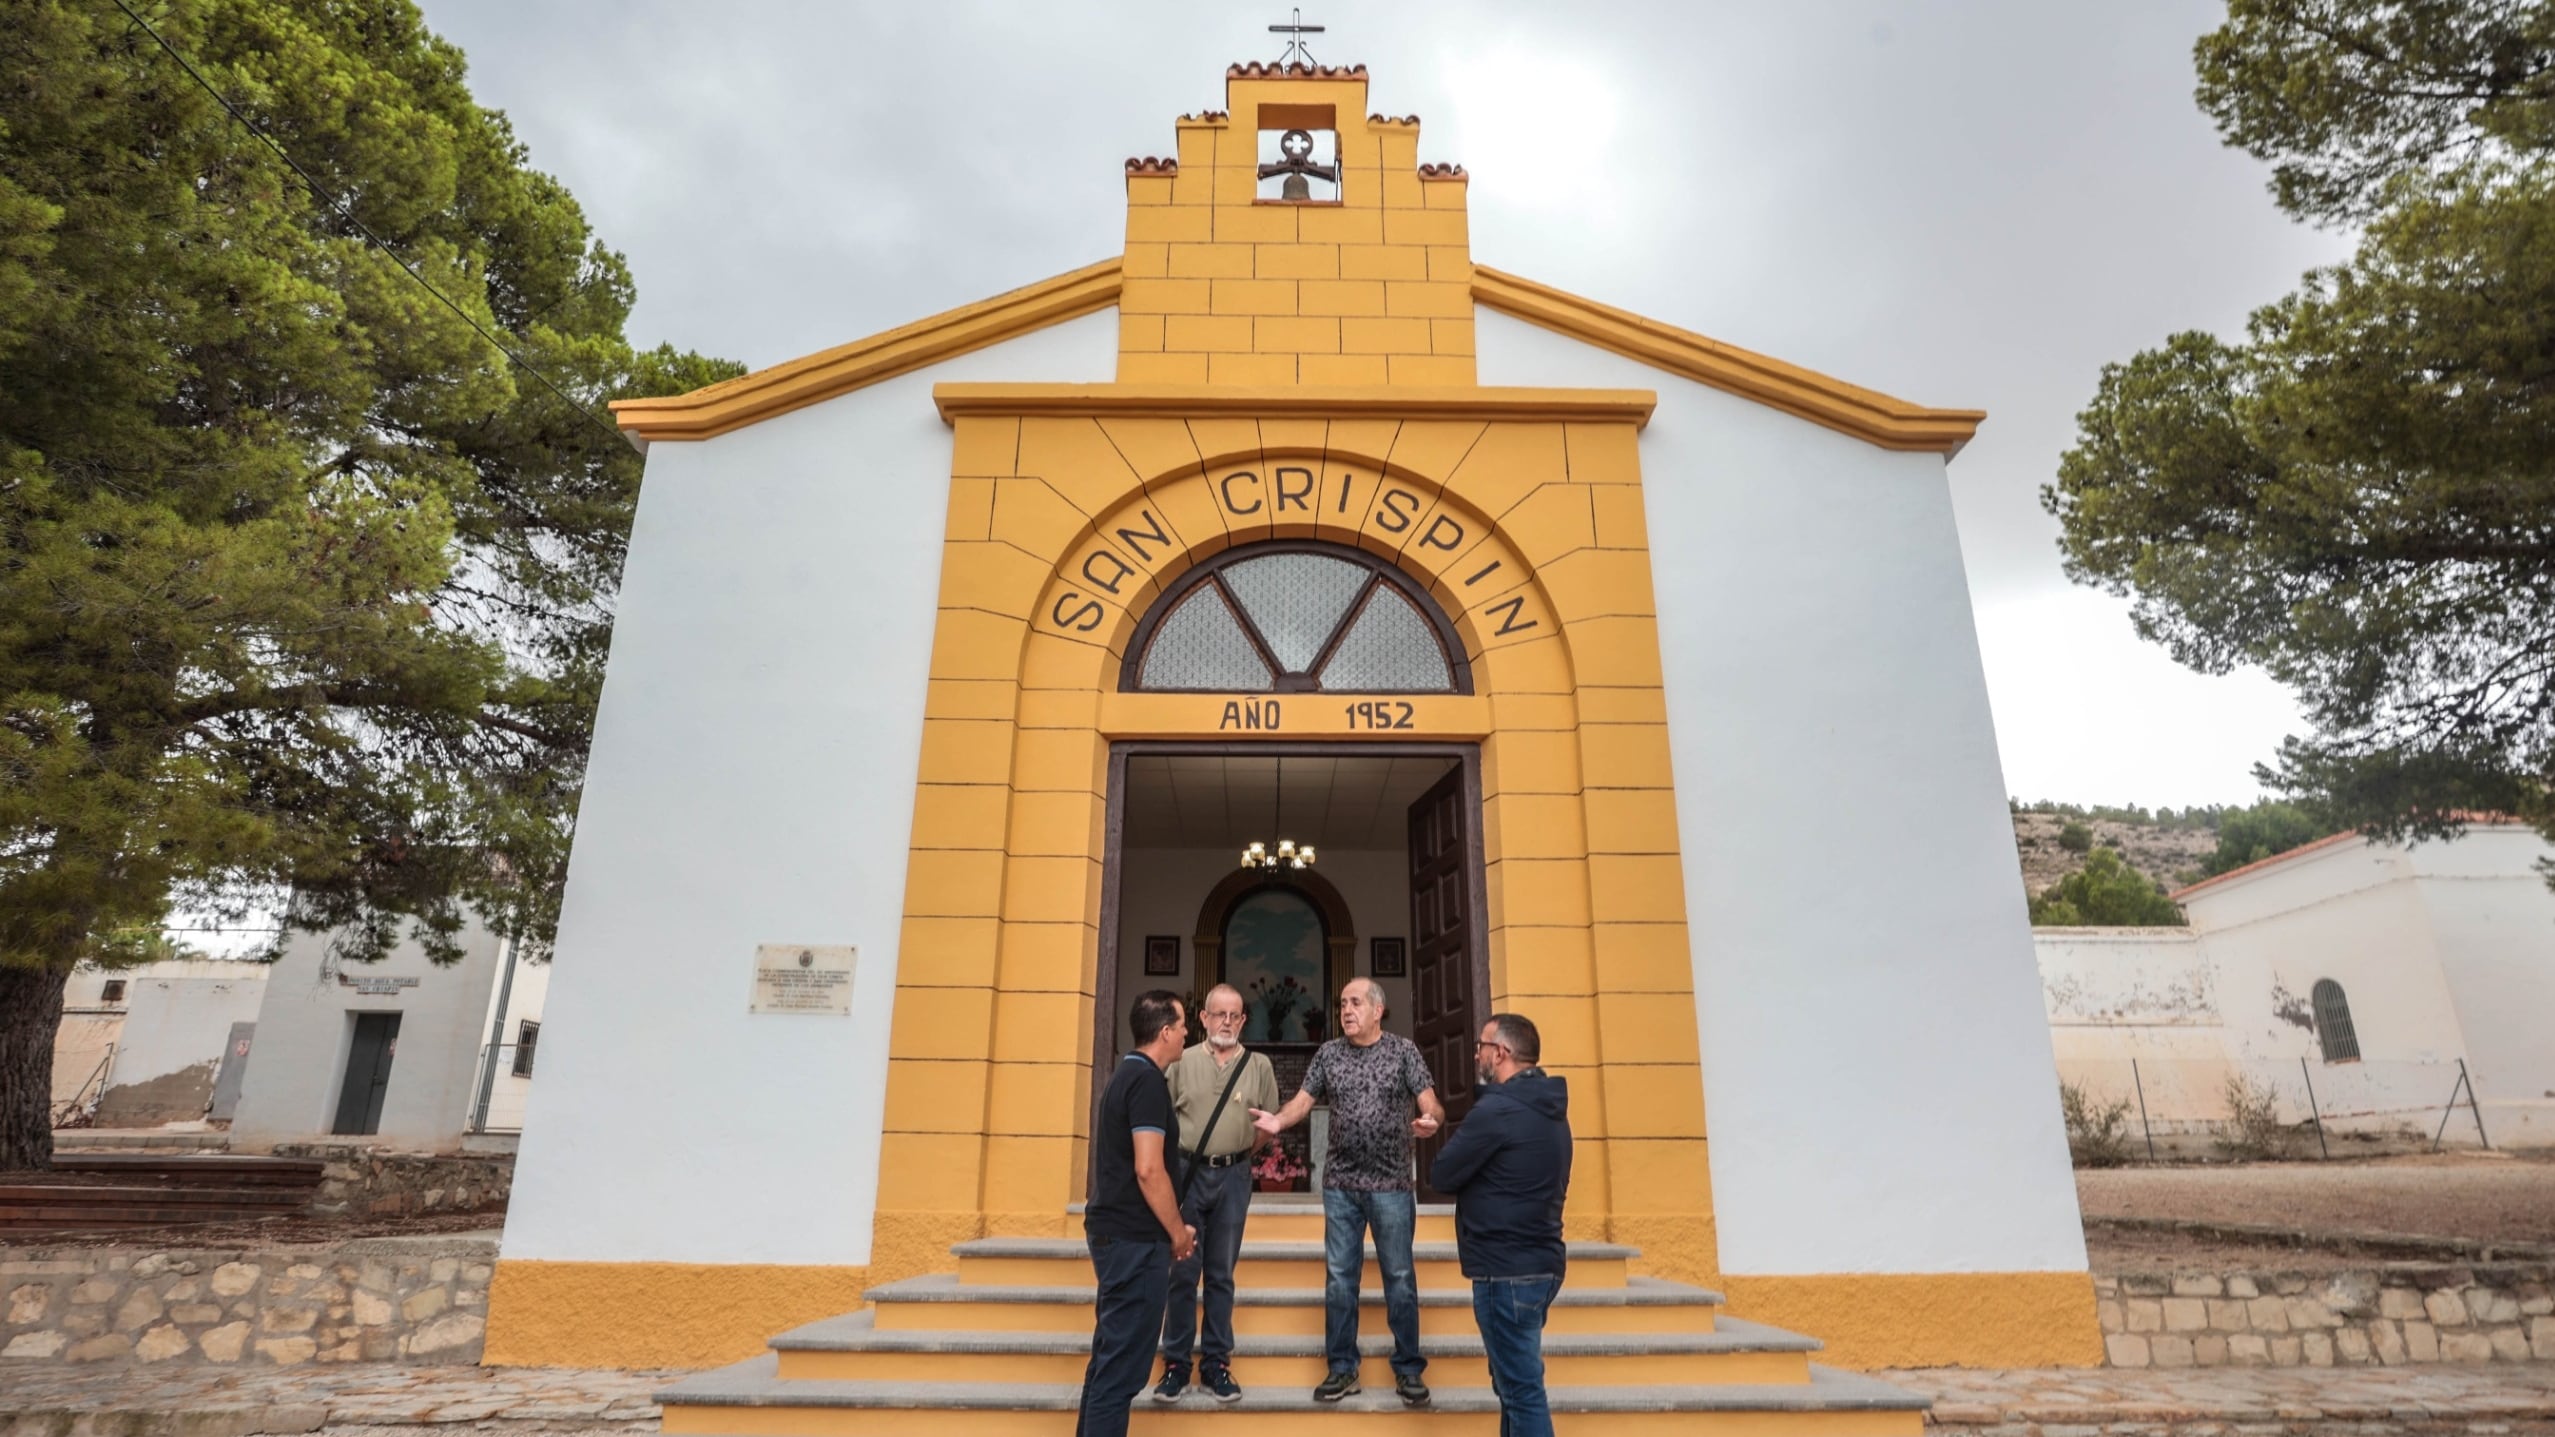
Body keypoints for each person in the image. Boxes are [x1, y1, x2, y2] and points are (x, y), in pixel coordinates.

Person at [1248, 977, 1446, 1406]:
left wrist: (1431, 1118)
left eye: (1355, 1003)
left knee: (1399, 1278)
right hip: (1341, 1186)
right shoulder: (1328, 1053)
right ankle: (1342, 1370)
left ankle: (1409, 1370)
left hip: (1392, 1185)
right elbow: (1303, 1100)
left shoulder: (1403, 1051)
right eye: (1341, 1004)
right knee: (1340, 1281)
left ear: (1378, 1010)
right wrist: (1278, 1122)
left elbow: (1431, 1102)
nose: (1346, 1011)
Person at [1429, 1014, 1572, 1437]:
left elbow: (1441, 1174)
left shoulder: (1498, 1108)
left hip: (1505, 1269)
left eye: (1481, 1046)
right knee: (1514, 1389)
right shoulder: (1552, 1109)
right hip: (1542, 1262)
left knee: (1523, 1393)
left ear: (1502, 1053)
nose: (1477, 1053)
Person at [1075, 990, 1197, 1437]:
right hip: (1133, 1242)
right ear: (1165, 1032)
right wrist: (1178, 1233)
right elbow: (1149, 1170)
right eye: (1183, 1024)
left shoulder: (1125, 1074)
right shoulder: (1145, 1082)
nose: (1188, 1032)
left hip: (1117, 1235)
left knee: (1108, 1363)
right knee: (1121, 1373)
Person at [1155, 983, 1280, 1404]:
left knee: (1222, 1273)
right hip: (1187, 1174)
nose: (1226, 1022)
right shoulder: (1181, 1062)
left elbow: (1267, 1125)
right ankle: (1175, 1364)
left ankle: (1216, 1364)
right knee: (1183, 1271)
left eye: (1235, 1015)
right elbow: (1164, 1122)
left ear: (1244, 1021)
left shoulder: (1258, 1064)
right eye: (1218, 1014)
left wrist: (1237, 1153)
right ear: (1204, 1018)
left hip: (1234, 1176)